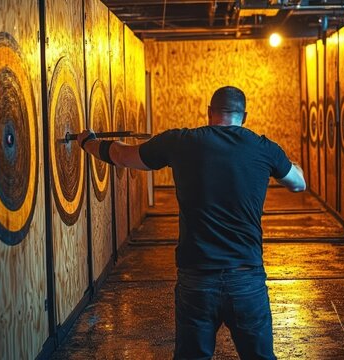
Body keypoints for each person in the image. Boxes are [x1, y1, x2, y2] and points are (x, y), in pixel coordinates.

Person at [77, 86, 306, 360]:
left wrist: (87, 142)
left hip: (197, 278)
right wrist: (283, 163)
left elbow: (121, 156)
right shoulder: (264, 148)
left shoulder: (180, 142)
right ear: (244, 116)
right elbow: (298, 183)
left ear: (209, 112)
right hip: (246, 279)